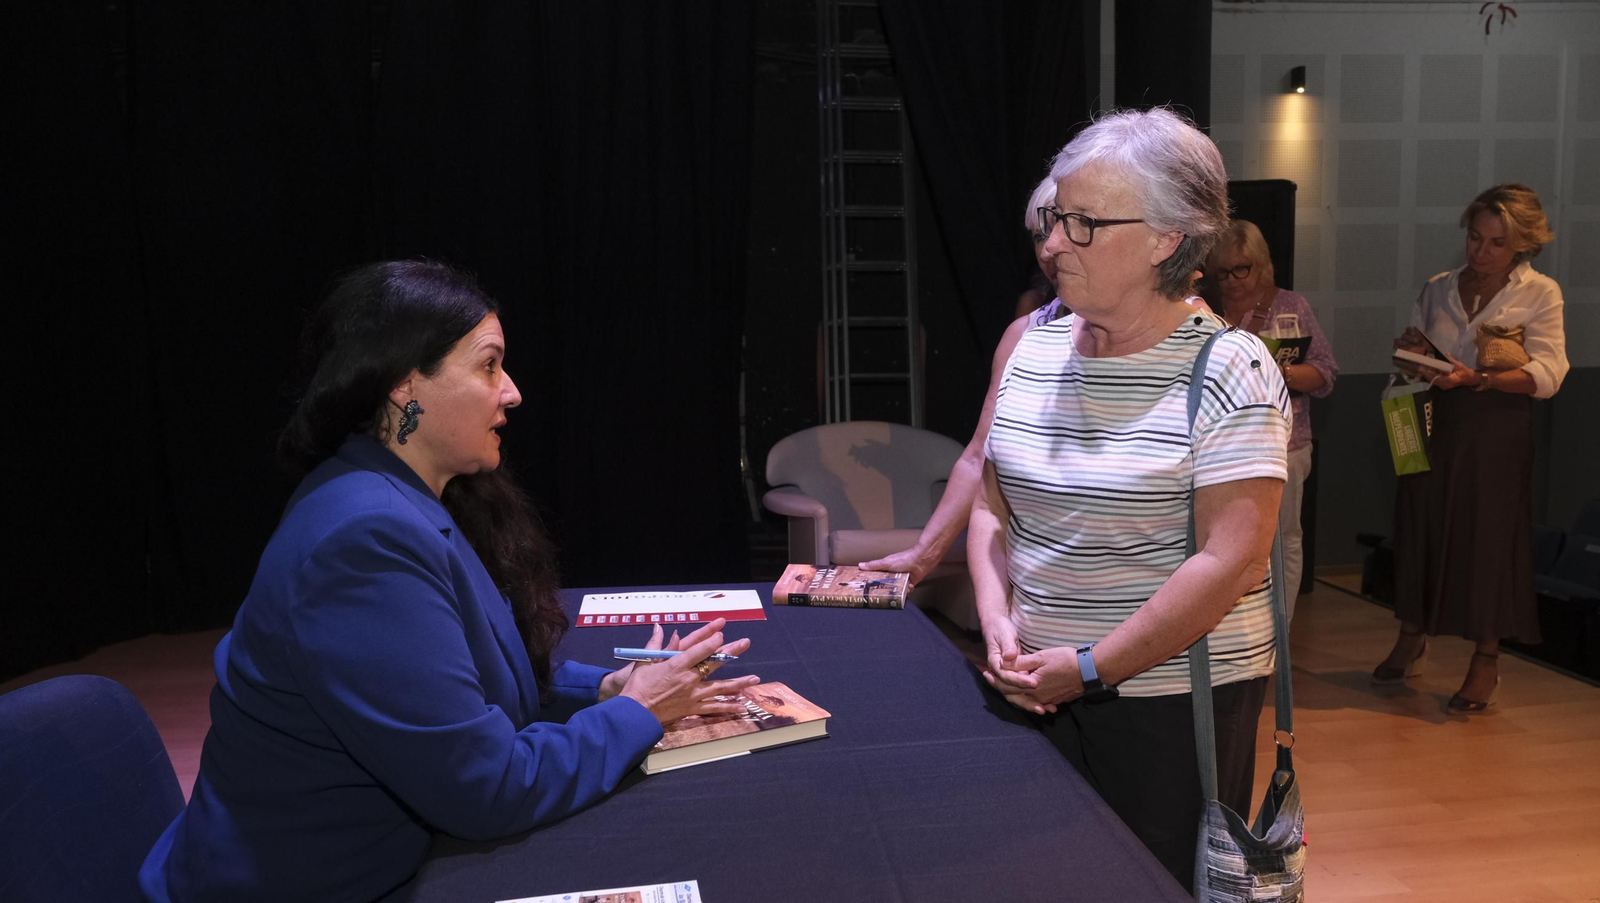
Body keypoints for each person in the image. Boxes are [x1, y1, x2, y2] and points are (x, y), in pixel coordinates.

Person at [139, 261, 759, 902]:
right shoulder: (364, 543)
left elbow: (464, 684)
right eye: (489, 365)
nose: (512, 392)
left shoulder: (399, 496)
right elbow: (485, 789)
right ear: (406, 385)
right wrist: (639, 711)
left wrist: (603, 690)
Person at [971, 107, 1290, 890]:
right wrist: (996, 622)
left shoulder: (1231, 367)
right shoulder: (1031, 345)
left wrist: (1089, 667)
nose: (1052, 243)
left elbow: (1232, 560)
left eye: (1083, 223)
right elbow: (989, 507)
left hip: (1168, 703)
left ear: (1167, 239)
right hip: (1033, 683)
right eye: (1053, 219)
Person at [1375, 184, 1567, 713]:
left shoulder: (1540, 293)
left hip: (1497, 426)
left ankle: (1486, 658)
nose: (1481, 251)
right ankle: (1412, 636)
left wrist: (1480, 379)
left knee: (1488, 540)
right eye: (1475, 237)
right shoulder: (1439, 287)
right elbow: (1414, 358)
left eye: (1497, 243)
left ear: (1523, 244)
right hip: (1434, 418)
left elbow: (1550, 373)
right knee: (1420, 524)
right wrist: (1412, 354)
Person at [859, 176, 1067, 582]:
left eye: (1064, 228)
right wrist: (923, 553)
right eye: (1039, 235)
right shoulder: (1024, 334)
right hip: (1038, 580)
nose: (1048, 249)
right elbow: (978, 456)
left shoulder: (1183, 330)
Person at [1205, 219, 1339, 620]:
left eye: (1241, 269)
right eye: (1222, 272)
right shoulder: (1205, 310)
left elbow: (1326, 373)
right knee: (1225, 540)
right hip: (1221, 446)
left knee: (1285, 538)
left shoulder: (1291, 306)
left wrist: (1283, 373)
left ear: (1261, 264)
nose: (1232, 281)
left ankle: (1282, 627)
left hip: (1285, 445)